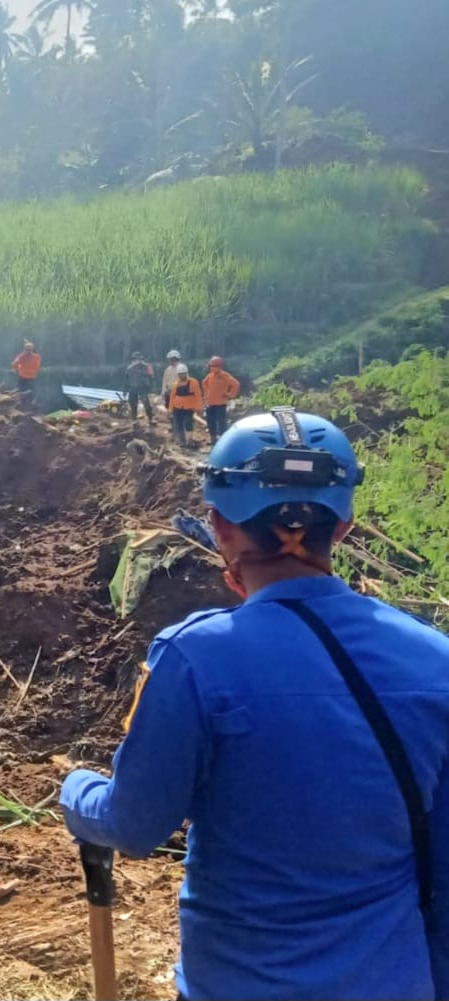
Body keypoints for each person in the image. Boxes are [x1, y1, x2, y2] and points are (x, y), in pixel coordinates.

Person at [61, 409, 449, 1000]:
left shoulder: (195, 657)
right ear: (343, 525)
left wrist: (77, 793)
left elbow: (134, 825)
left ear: (218, 526)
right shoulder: (435, 660)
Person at [202, 357, 241, 442]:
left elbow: (236, 384)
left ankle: (223, 439)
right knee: (210, 422)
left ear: (219, 366)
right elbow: (204, 383)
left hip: (220, 404)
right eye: (211, 366)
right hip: (210, 403)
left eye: (215, 366)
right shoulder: (210, 376)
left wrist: (230, 395)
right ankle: (213, 438)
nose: (213, 368)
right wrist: (207, 395)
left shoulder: (224, 375)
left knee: (221, 423)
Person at [169, 363, 203, 448]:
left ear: (186, 373)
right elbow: (172, 397)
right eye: (180, 374)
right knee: (179, 424)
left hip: (189, 407)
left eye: (183, 374)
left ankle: (189, 441)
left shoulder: (193, 382)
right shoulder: (175, 384)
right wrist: (170, 409)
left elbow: (198, 395)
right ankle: (182, 441)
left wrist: (198, 407)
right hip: (178, 407)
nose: (182, 376)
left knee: (188, 423)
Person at [123, 351, 156, 425]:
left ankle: (151, 419)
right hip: (133, 388)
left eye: (138, 359)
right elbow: (126, 380)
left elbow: (151, 377)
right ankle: (134, 420)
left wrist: (152, 387)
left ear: (141, 359)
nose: (137, 361)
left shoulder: (147, 366)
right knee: (133, 404)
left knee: (147, 404)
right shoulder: (129, 368)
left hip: (143, 388)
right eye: (135, 359)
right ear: (133, 360)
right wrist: (125, 391)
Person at [11, 340, 42, 406]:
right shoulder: (22, 356)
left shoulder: (35, 357)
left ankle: (27, 406)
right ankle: (24, 405)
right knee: (23, 393)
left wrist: (18, 368)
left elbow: (14, 364)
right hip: (25, 378)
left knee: (28, 394)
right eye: (27, 349)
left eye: (29, 350)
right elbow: (14, 364)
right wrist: (18, 368)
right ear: (25, 349)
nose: (28, 351)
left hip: (29, 378)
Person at [161, 349, 183, 419]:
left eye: (173, 359)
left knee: (178, 409)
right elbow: (164, 381)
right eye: (170, 360)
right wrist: (163, 392)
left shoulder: (182, 368)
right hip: (169, 392)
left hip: (179, 391)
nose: (171, 361)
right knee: (169, 408)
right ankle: (172, 423)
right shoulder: (168, 370)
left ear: (176, 359)